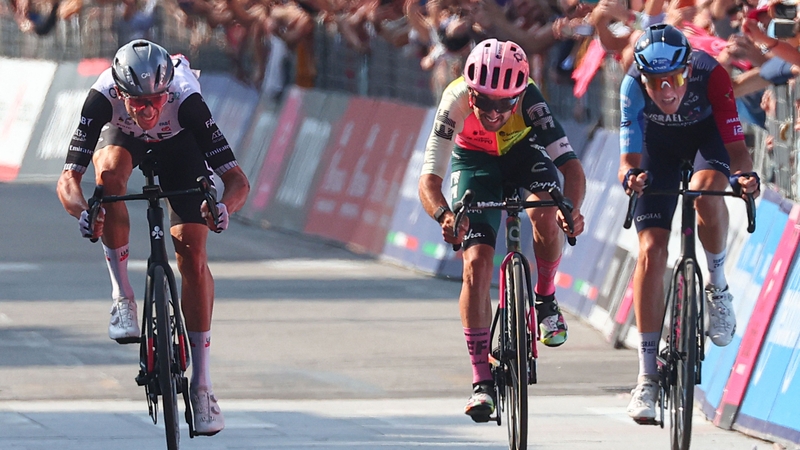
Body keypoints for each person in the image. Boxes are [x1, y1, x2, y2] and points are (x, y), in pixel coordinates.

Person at [56, 39, 250, 436]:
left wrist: (224, 208)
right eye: (137, 103)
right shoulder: (101, 99)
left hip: (181, 147)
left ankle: (202, 385)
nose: (148, 111)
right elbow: (69, 179)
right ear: (119, 91)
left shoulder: (186, 101)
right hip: (122, 141)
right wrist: (83, 211)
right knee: (108, 181)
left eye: (157, 101)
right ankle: (122, 296)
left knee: (193, 258)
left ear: (169, 91)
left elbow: (237, 181)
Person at [418, 38, 586, 422]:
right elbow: (429, 181)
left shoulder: (530, 99)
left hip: (522, 152)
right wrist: (446, 216)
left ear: (519, 94)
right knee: (475, 264)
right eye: (485, 102)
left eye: (504, 103)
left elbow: (571, 168)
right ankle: (481, 382)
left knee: (546, 210)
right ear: (471, 91)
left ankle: (544, 300)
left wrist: (571, 211)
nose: (494, 111)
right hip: (473, 161)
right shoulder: (455, 100)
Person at [618, 24, 760, 423]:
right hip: (656, 153)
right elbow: (627, 161)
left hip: (706, 143)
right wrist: (631, 177)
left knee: (706, 192)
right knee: (650, 251)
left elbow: (737, 151)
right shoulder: (630, 87)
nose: (666, 92)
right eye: (655, 83)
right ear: (642, 78)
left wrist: (745, 178)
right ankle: (646, 378)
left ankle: (717, 287)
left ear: (687, 70)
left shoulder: (711, 73)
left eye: (675, 80)